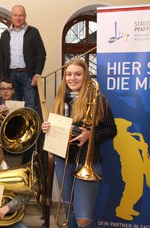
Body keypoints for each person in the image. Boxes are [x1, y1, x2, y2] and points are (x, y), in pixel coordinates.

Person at [41, 58, 117, 228]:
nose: (72, 78)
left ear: (85, 76)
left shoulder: (98, 99)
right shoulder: (61, 99)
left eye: (77, 74)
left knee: (83, 218)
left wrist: (90, 134)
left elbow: (112, 129)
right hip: (63, 161)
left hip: (87, 161)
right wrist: (47, 127)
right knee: (69, 209)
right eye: (68, 74)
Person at [0, 4, 46, 110]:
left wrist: (37, 73)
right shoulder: (5, 34)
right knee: (13, 106)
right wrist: (2, 77)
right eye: (15, 15)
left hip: (28, 75)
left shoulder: (33, 32)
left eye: (21, 15)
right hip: (10, 76)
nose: (18, 18)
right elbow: (0, 58)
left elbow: (41, 54)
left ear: (25, 16)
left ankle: (31, 126)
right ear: (11, 16)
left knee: (31, 105)